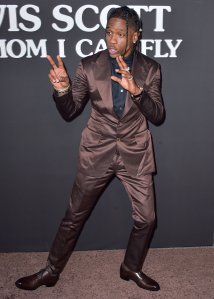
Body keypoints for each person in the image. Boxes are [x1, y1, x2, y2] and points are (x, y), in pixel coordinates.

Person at [15, 6, 165, 292]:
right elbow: (70, 111)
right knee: (74, 216)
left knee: (147, 219)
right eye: (109, 32)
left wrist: (138, 92)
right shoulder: (88, 66)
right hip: (97, 150)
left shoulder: (151, 69)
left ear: (135, 36)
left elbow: (158, 114)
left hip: (135, 151)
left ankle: (130, 267)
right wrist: (61, 90)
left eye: (120, 34)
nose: (112, 39)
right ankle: (51, 270)